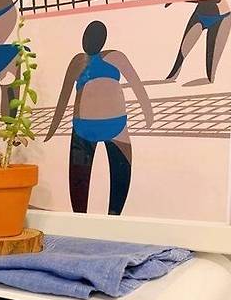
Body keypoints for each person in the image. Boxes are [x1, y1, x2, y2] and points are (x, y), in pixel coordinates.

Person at [45, 21, 153, 215]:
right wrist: (52, 127)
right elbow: (64, 97)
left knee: (116, 175)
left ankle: (113, 217)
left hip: (112, 125)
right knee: (82, 180)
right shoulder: (81, 61)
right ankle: (84, 219)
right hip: (88, 127)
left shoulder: (113, 57)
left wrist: (148, 111)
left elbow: (136, 84)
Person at [165, 0, 230, 83]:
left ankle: (210, 79)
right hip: (201, 15)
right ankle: (173, 75)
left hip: (221, 18)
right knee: (184, 46)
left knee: (211, 54)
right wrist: (170, 1)